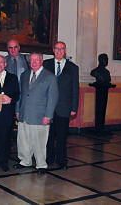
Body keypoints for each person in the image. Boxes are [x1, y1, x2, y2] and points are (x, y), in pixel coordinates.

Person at [15, 53, 58, 175]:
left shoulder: (50, 77)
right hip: (24, 114)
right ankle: (25, 161)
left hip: (40, 116)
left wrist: (48, 115)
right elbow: (21, 95)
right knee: (23, 140)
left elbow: (53, 98)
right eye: (31, 60)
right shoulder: (24, 75)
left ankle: (41, 164)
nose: (33, 62)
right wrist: (17, 110)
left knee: (39, 142)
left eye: (36, 60)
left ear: (41, 61)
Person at [43, 41, 79, 170]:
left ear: (65, 50)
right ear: (53, 50)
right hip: (48, 107)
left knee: (62, 136)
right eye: (57, 48)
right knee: (48, 136)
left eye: (61, 49)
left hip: (64, 107)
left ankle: (61, 160)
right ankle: (48, 158)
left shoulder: (73, 68)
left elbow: (75, 88)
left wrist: (74, 108)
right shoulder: (46, 65)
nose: (59, 51)